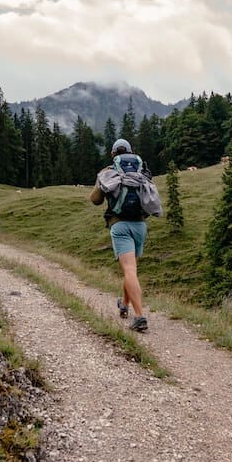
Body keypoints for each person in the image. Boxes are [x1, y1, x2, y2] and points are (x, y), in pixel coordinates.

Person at [89, 138, 160, 332]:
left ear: (113, 154)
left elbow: (95, 199)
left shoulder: (108, 172)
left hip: (120, 226)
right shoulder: (142, 171)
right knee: (131, 269)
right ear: (130, 153)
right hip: (140, 226)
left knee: (129, 270)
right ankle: (124, 305)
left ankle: (139, 316)